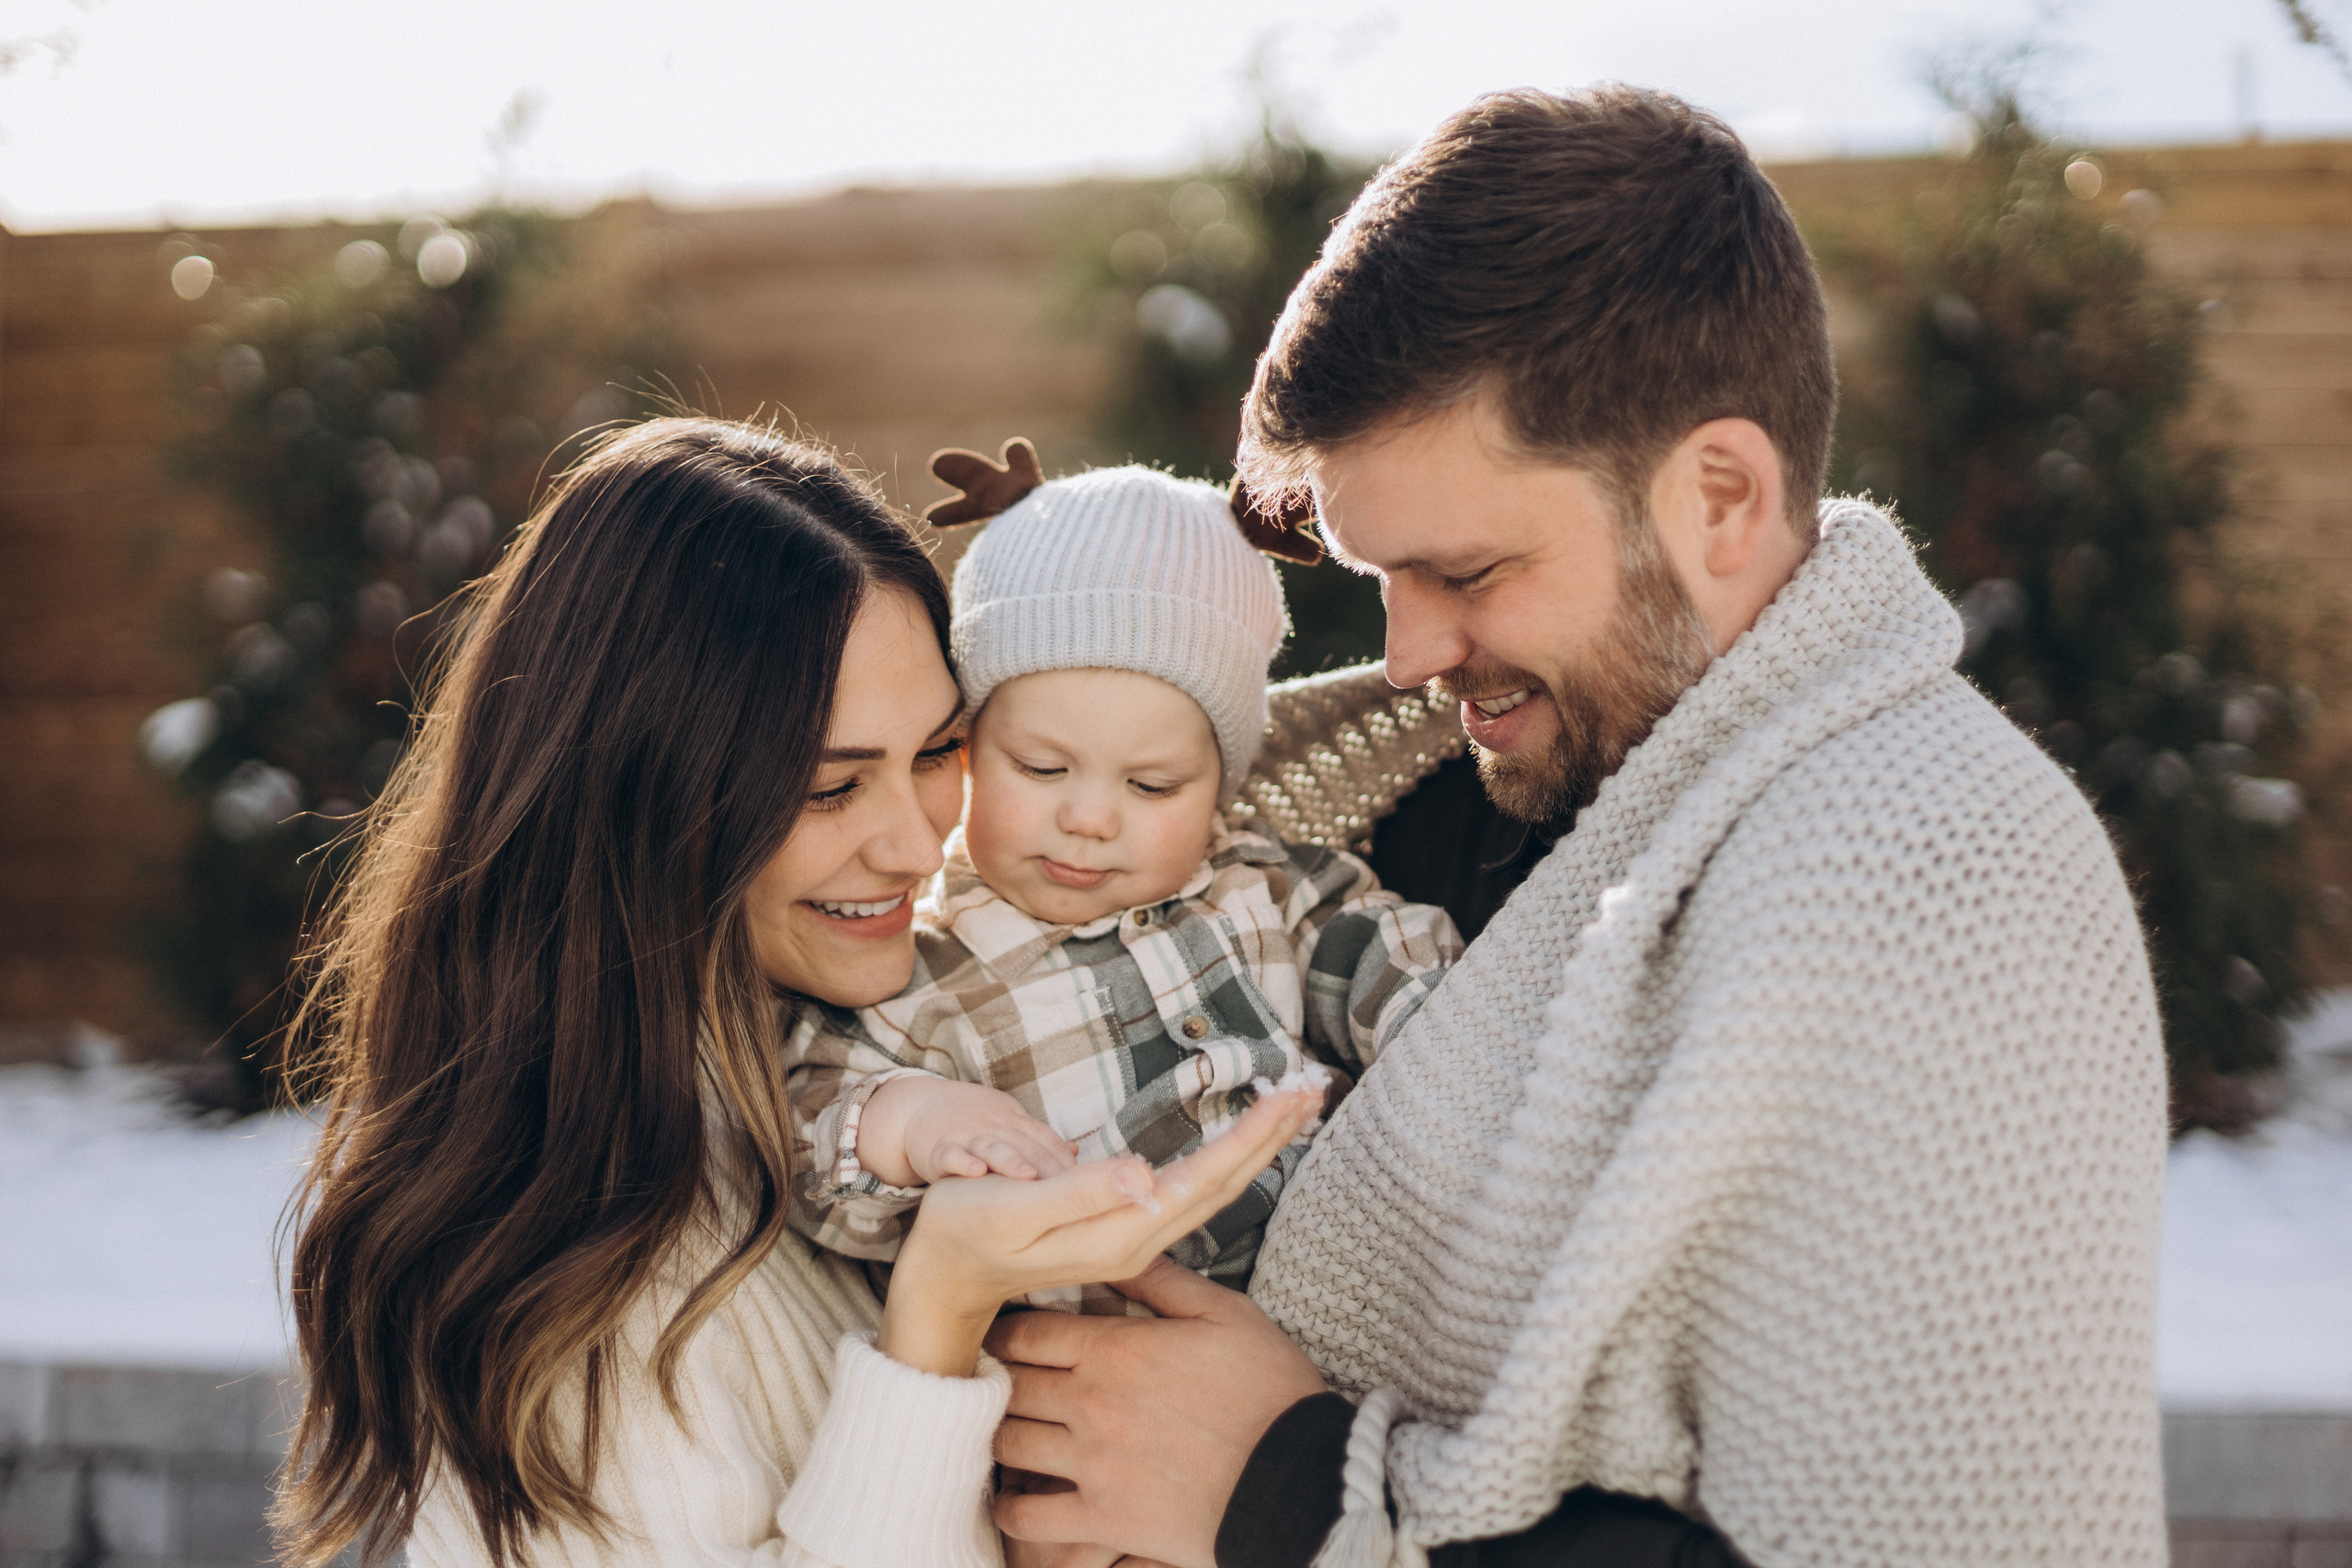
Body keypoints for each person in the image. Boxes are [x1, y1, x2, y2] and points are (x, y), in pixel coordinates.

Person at [983, 86, 2172, 1568]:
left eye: (1467, 570)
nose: (1408, 653)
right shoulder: (1393, 805)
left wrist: (1292, 1491)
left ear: (1719, 496)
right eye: (1380, 580)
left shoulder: (1943, 875)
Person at [272, 417, 1325, 1568]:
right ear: (642, 800)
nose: (921, 845)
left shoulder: (887, 1048)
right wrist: (938, 1312)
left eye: (936, 754)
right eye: (830, 789)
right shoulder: (549, 1294)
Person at [782, 459, 1462, 1313]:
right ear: (964, 748)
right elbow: (809, 1118)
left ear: (1221, 784)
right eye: (1040, 766)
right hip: (1088, 1368)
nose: (1091, 818)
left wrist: (1438, 1032)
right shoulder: (914, 963)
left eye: (1153, 786)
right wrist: (916, 1123)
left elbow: (1388, 954)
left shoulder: (1264, 885)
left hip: (1338, 1301)